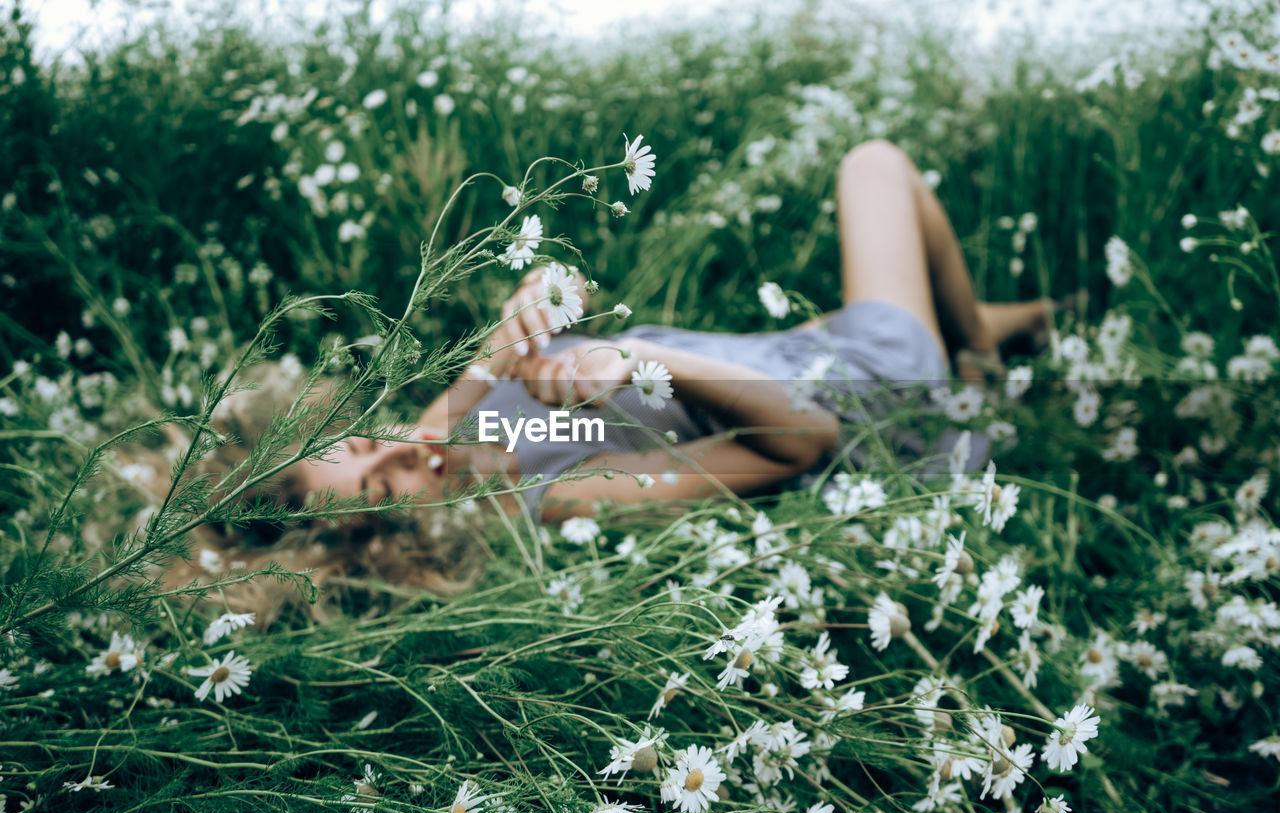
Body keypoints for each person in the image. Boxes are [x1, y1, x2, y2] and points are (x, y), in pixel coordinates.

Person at [292, 139, 1060, 523]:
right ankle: (979, 363)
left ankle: (1022, 324)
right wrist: (629, 358)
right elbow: (801, 443)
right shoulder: (556, 500)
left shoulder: (438, 430)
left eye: (364, 441)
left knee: (872, 295)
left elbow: (541, 318)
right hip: (865, 400)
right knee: (874, 164)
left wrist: (547, 293)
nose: (405, 454)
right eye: (381, 489)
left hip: (782, 353)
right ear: (393, 541)